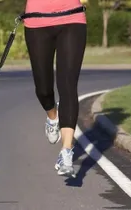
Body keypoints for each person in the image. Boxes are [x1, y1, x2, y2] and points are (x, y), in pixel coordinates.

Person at [23, 0, 87, 177]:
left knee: (68, 86)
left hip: (72, 18)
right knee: (43, 89)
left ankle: (66, 152)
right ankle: (52, 117)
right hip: (36, 21)